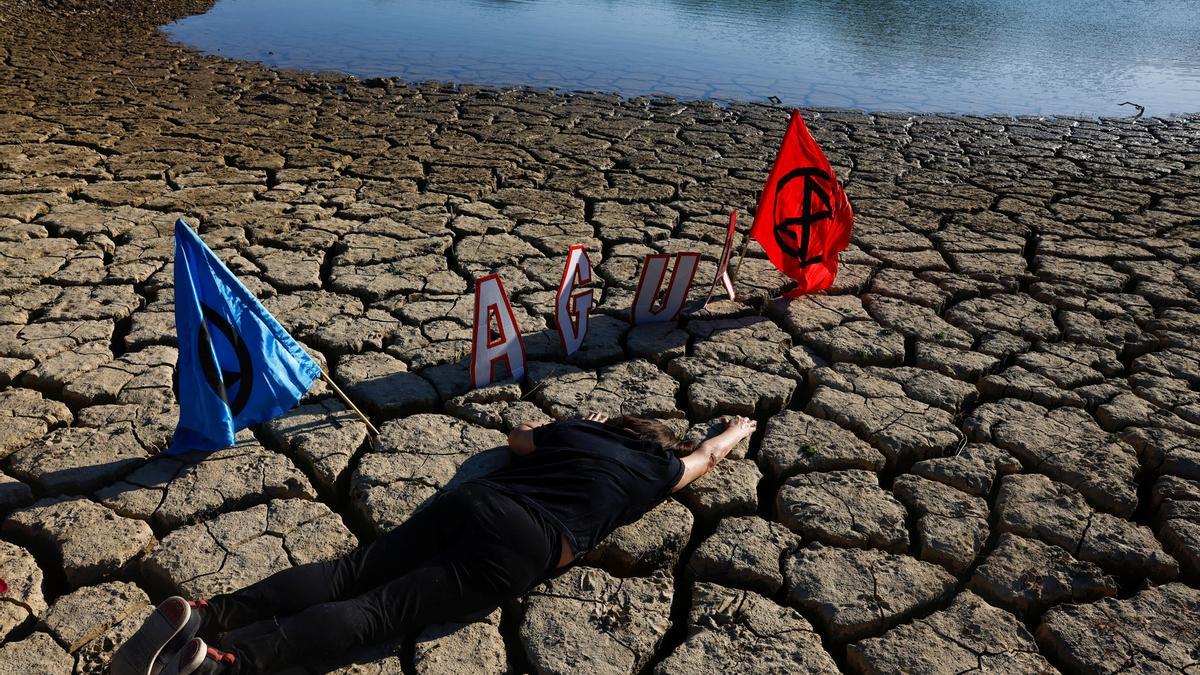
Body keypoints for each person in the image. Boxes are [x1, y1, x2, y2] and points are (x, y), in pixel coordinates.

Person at [112, 412, 757, 675]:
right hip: (526, 543)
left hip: (479, 500)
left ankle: (200, 617)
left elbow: (519, 440)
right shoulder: (655, 471)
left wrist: (559, 428)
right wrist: (733, 432)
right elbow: (705, 457)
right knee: (379, 612)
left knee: (348, 571)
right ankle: (223, 666)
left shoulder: (585, 432)